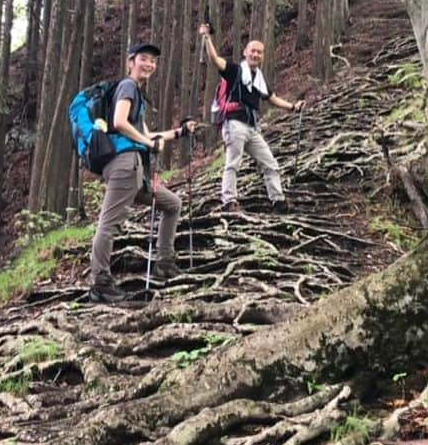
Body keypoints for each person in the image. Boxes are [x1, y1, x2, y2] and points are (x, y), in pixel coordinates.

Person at [89, 41, 197, 304]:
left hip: (135, 169)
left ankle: (165, 262)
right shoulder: (127, 86)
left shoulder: (136, 93)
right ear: (131, 62)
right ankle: (100, 283)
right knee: (109, 223)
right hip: (125, 166)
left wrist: (180, 132)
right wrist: (149, 144)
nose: (149, 64)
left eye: (152, 61)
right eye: (143, 59)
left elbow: (148, 135)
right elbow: (119, 122)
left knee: (172, 204)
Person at [199, 24, 304, 213]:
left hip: (252, 127)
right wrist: (207, 37)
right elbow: (214, 59)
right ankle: (229, 201)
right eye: (253, 51)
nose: (256, 55)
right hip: (234, 124)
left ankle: (278, 201)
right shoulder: (235, 71)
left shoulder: (258, 78)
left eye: (260, 52)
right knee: (233, 163)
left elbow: (271, 97)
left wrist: (292, 107)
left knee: (270, 163)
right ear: (245, 52)